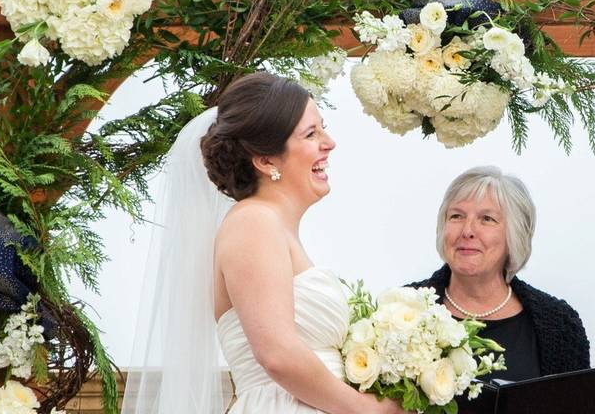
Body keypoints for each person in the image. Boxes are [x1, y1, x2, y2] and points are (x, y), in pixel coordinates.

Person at [122, 72, 402, 414]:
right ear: (266, 160)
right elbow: (278, 354)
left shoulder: (269, 226)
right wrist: (368, 410)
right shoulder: (253, 222)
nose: (329, 142)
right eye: (311, 133)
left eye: (322, 128)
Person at [409, 165, 589, 381]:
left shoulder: (560, 326)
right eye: (457, 216)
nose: (467, 231)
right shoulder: (402, 309)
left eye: (487, 219)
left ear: (515, 234)